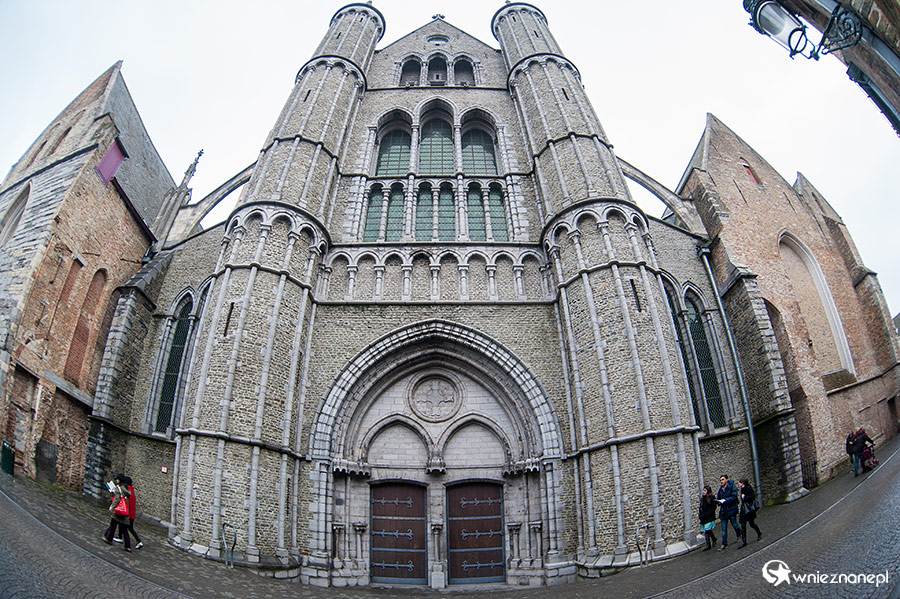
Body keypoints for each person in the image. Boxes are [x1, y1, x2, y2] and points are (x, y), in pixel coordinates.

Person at [102, 474, 132, 552]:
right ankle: (127, 546)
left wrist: (112, 507)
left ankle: (109, 538)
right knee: (124, 529)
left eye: (117, 479)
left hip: (118, 511)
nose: (116, 480)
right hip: (124, 511)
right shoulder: (126, 489)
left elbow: (117, 499)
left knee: (113, 525)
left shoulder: (119, 488)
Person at [113, 475, 143, 549]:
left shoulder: (126, 490)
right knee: (123, 525)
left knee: (129, 528)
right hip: (131, 513)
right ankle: (120, 537)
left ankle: (138, 541)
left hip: (127, 513)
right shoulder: (131, 490)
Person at [716, 474, 741, 551]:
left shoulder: (731, 487)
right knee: (724, 529)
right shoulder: (720, 490)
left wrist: (725, 500)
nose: (721, 481)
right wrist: (719, 502)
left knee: (734, 524)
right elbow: (718, 498)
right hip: (724, 512)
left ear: (726, 480)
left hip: (731, 509)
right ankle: (724, 544)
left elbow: (734, 497)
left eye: (723, 479)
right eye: (720, 480)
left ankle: (739, 534)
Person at [737, 478, 762, 548]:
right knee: (743, 525)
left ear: (743, 483)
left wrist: (745, 497)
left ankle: (759, 533)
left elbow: (752, 497)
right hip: (744, 509)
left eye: (740, 482)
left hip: (749, 509)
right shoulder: (742, 489)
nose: (738, 484)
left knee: (752, 524)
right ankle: (744, 541)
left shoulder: (748, 488)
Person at [698, 485, 718, 551]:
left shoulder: (711, 498)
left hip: (709, 517)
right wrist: (700, 515)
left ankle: (708, 544)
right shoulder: (702, 499)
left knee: (707, 530)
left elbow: (713, 508)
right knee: (707, 530)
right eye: (703, 490)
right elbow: (701, 508)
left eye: (705, 490)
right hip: (704, 517)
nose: (703, 492)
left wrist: (708, 514)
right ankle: (714, 538)